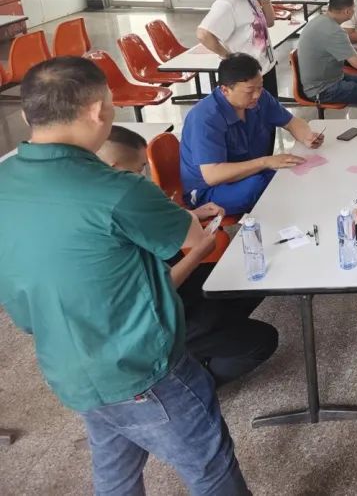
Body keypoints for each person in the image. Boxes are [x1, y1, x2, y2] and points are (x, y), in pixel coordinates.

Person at [0, 57, 249, 494]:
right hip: (138, 366)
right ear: (99, 111)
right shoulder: (119, 188)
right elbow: (193, 240)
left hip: (66, 363)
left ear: (27, 115)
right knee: (210, 467)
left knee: (116, 471)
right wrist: (176, 213)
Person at [98, 126, 279, 387]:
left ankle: (214, 332)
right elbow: (155, 291)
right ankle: (191, 381)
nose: (142, 177)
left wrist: (194, 213)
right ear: (114, 167)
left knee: (249, 280)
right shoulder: (114, 212)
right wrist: (197, 254)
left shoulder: (114, 199)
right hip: (157, 315)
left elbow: (157, 224)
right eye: (138, 170)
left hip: (175, 291)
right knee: (262, 340)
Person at [181, 53, 325, 215]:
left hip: (250, 173)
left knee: (290, 174)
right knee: (259, 187)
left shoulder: (259, 98)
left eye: (260, 87)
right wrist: (265, 162)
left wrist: (307, 136)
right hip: (208, 190)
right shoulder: (205, 118)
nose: (257, 94)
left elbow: (290, 122)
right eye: (249, 91)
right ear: (225, 90)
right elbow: (212, 175)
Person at [198, 0, 281, 98]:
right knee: (254, 112)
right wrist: (229, 57)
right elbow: (203, 34)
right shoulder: (229, 0)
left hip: (265, 67)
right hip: (246, 78)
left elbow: (270, 22)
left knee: (270, 110)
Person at [297, 0, 357, 118]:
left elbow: (346, 49)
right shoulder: (334, 31)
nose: (354, 12)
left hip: (326, 79)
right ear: (347, 12)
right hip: (322, 89)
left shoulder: (320, 21)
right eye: (353, 9)